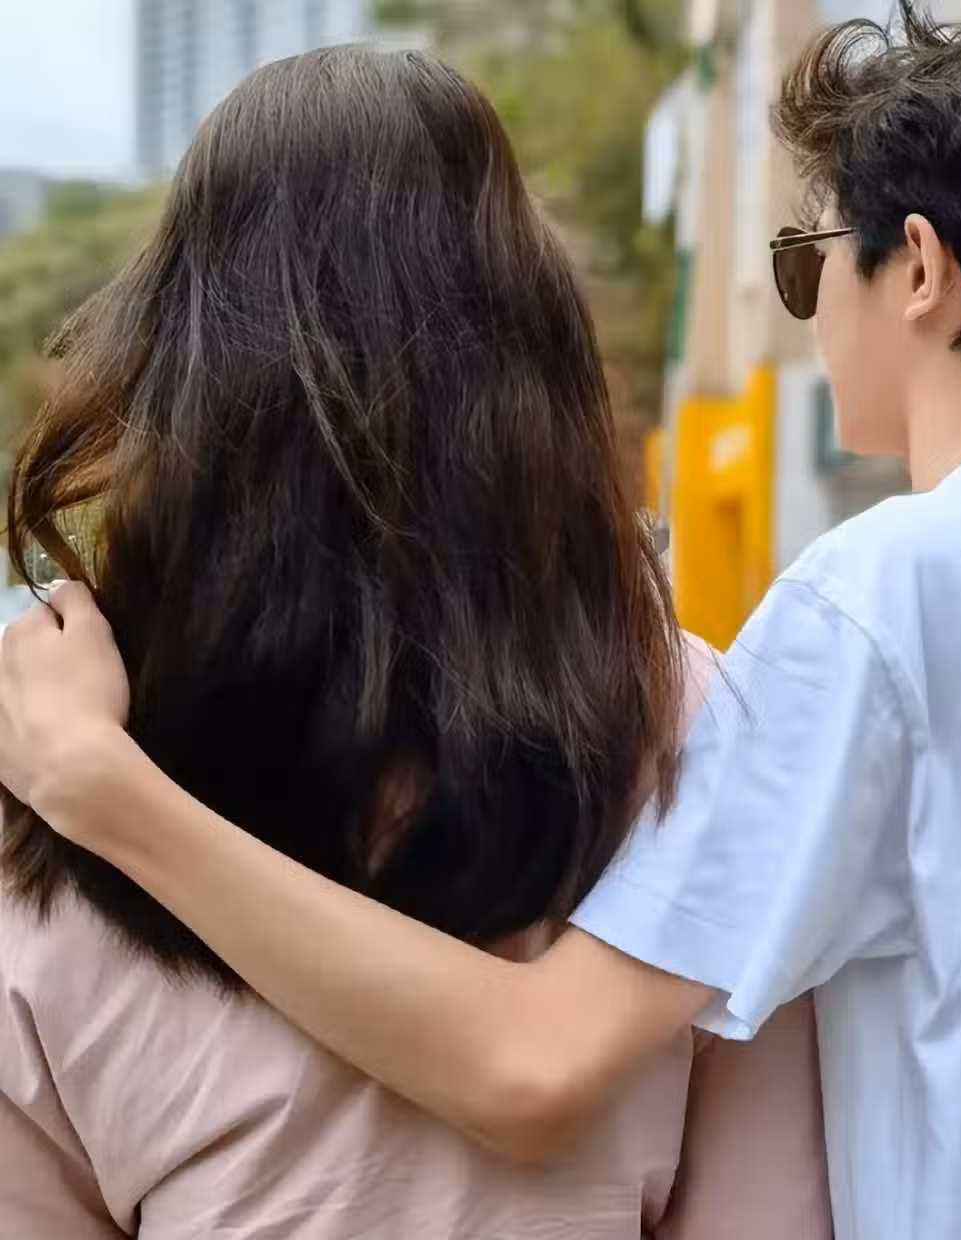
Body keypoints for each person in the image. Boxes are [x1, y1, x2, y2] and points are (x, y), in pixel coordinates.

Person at [3, 0, 961, 1236]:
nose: (802, 301)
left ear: (920, 271)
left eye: (805, 262)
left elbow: (532, 1065)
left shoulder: (876, 598)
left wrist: (102, 787)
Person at [0, 46, 833, 1240]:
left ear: (178, 372)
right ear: (537, 366)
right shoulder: (690, 726)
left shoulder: (54, 761)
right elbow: (765, 1210)